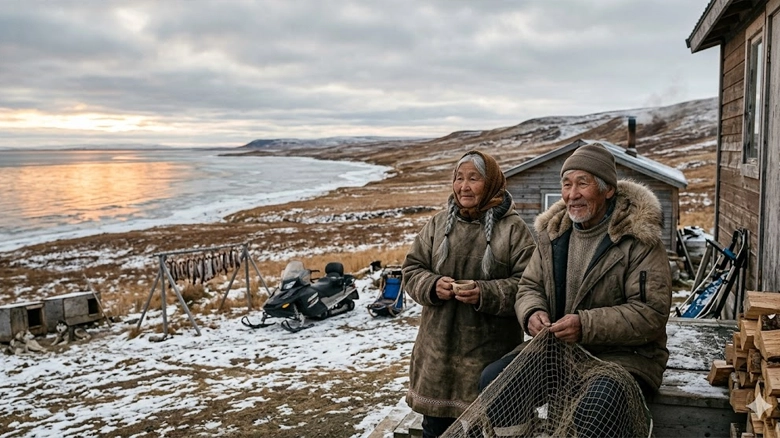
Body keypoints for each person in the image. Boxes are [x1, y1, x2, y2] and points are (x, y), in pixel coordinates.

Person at [479, 142, 672, 436]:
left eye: (583, 183)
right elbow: (530, 286)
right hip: (559, 352)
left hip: (625, 357)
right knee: (496, 381)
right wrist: (532, 312)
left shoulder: (638, 239)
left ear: (608, 190)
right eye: (566, 184)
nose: (572, 194)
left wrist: (585, 325)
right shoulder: (553, 233)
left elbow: (650, 313)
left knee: (596, 403)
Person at [402, 150, 537, 438]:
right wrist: (431, 285)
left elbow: (530, 285)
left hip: (487, 356)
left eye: (473, 178)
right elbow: (412, 269)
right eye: (459, 178)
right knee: (435, 430)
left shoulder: (513, 230)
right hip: (437, 355)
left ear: (491, 183)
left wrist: (484, 293)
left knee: (481, 430)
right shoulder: (438, 224)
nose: (464, 186)